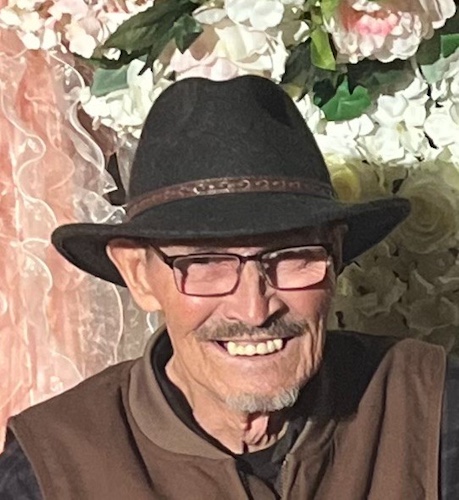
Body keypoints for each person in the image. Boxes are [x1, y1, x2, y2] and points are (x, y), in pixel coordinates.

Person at [0, 75, 458, 500]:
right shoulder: (52, 464)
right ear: (139, 275)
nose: (254, 310)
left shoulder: (431, 405)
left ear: (335, 256)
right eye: (205, 263)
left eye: (291, 256)